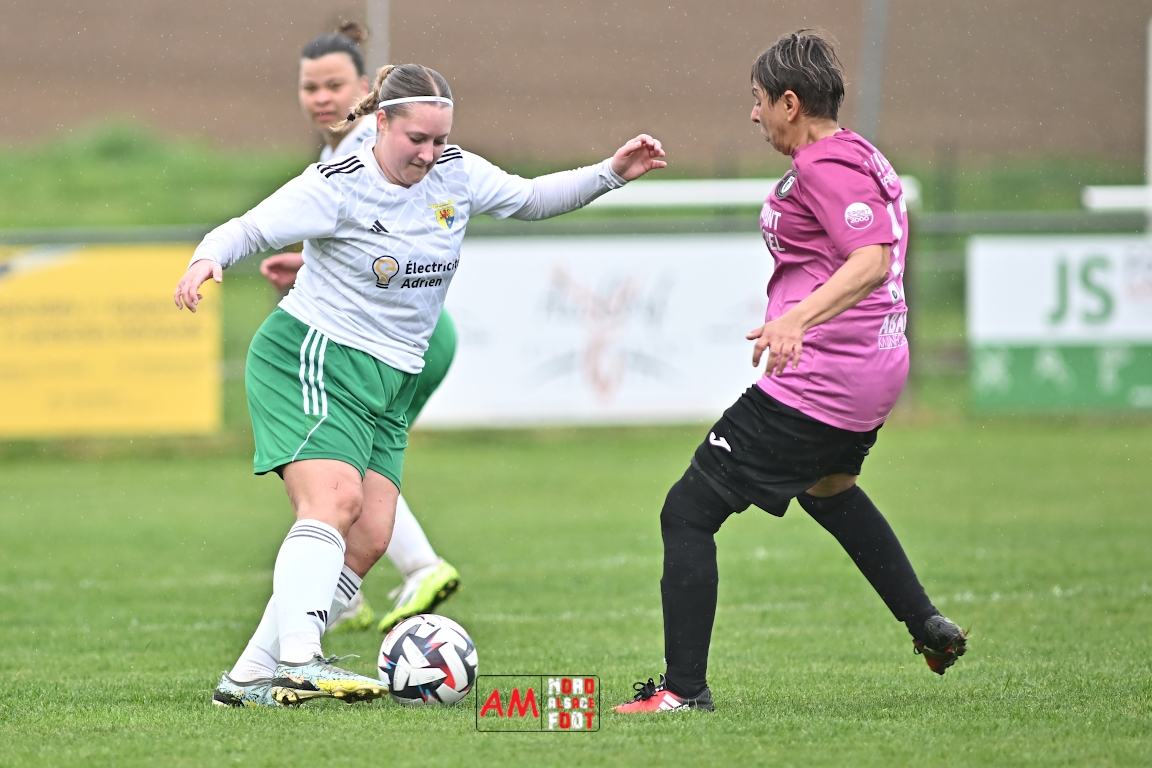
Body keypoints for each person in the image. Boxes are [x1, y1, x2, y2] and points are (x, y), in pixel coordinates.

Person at [174, 61, 666, 707]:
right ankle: (299, 660)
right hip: (315, 355)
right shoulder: (338, 184)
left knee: (369, 538)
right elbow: (248, 227)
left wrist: (611, 172)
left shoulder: (456, 173)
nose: (430, 154)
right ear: (381, 123)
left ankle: (244, 681)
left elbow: (530, 198)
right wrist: (206, 259)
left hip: (393, 378)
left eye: (440, 139)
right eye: (417, 140)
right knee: (333, 501)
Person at [614, 30, 966, 714]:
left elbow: (870, 259)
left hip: (824, 376)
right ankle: (925, 623)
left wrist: (797, 319)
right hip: (871, 371)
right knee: (829, 490)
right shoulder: (856, 151)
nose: (754, 114)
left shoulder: (824, 165)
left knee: (687, 512)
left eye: (758, 100)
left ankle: (682, 692)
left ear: (790, 102)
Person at [260, 22, 463, 637]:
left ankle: (412, 568)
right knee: (350, 475)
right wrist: (307, 266)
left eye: (335, 86)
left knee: (345, 472)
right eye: (310, 87)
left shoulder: (372, 149)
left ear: (370, 97)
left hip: (398, 344)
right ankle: (340, 599)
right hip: (395, 338)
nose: (322, 98)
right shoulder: (341, 158)